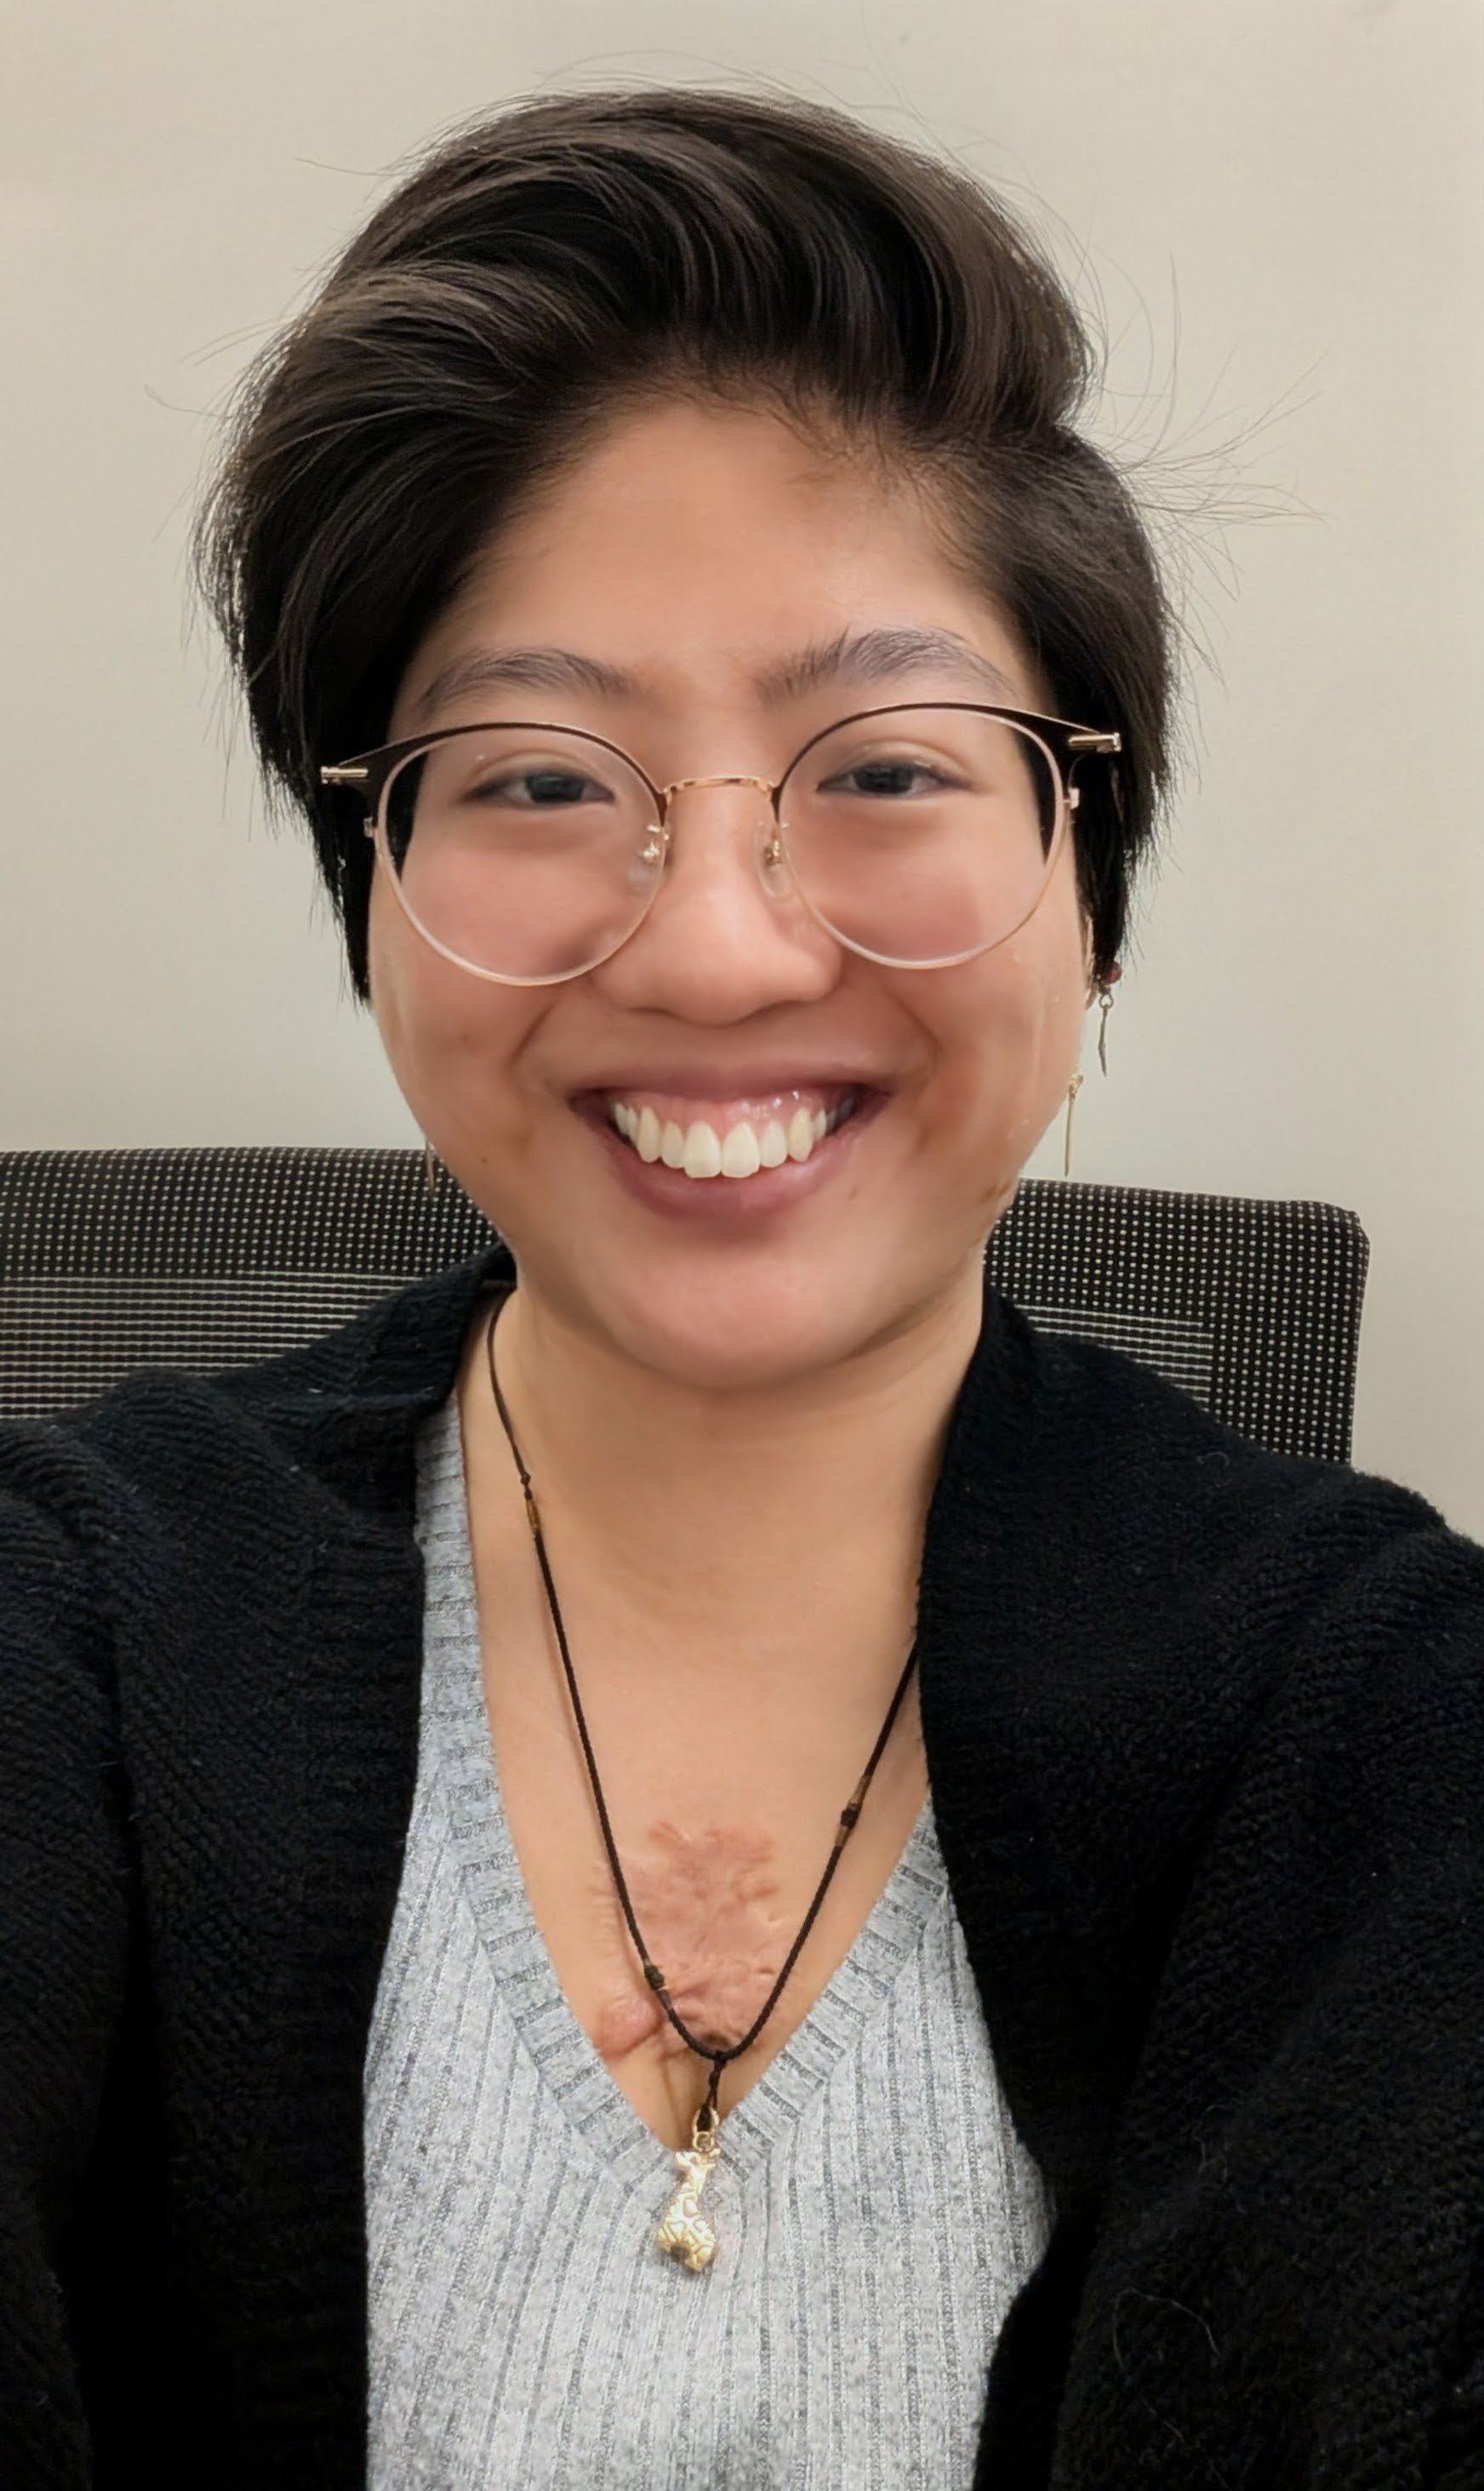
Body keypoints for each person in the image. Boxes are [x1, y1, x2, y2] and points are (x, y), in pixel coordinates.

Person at [2, 84, 1481, 2491]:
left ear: (1091, 886)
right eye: (541, 777)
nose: (710, 944)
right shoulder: (71, 1624)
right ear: (372, 892)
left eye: (885, 765)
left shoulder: (1393, 1724)